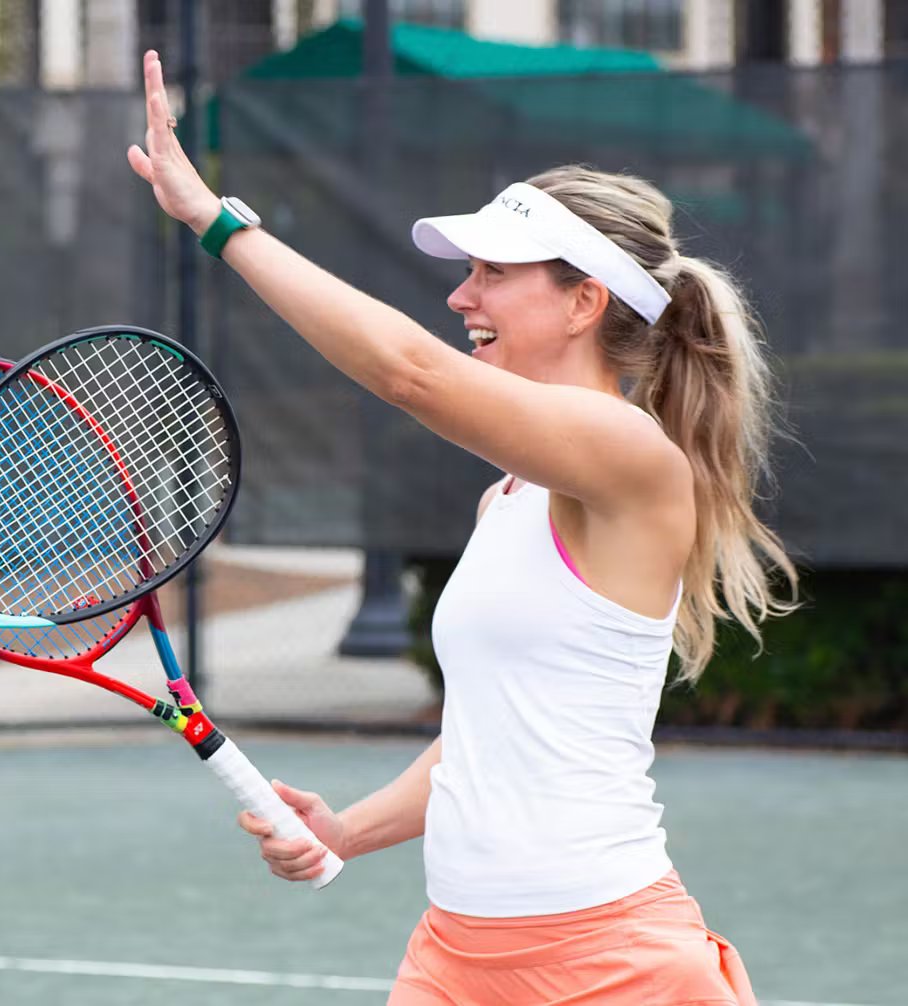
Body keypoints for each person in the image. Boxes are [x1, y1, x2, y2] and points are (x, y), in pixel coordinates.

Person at [128, 50, 796, 1005]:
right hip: (454, 956)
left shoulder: (633, 458)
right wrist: (346, 831)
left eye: (491, 272)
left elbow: (413, 373)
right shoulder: (509, 498)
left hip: (613, 962)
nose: (460, 296)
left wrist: (215, 220)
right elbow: (485, 734)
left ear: (583, 300)